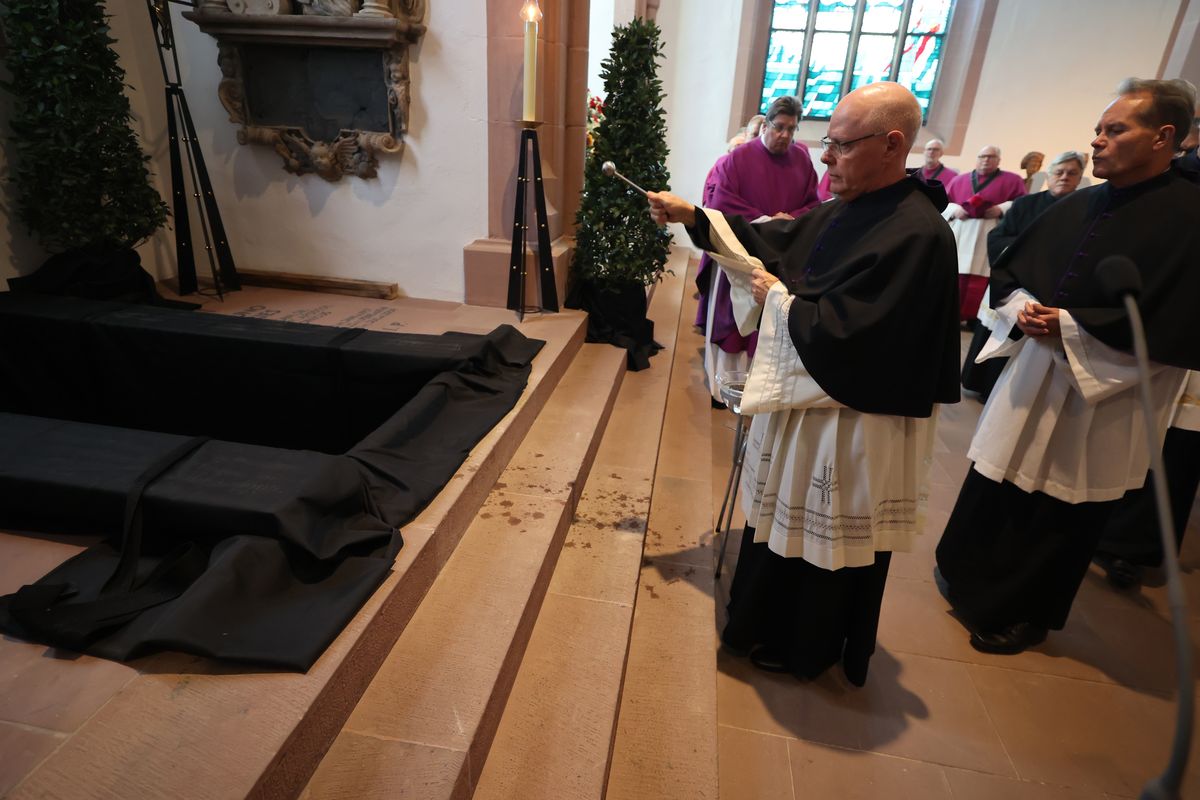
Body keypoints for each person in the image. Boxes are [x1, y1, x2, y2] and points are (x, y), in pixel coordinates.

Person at [650, 82, 961, 685]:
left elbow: (864, 338)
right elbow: (779, 241)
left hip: (851, 422)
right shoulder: (851, 205)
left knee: (827, 543)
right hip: (811, 405)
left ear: (893, 144)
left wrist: (783, 305)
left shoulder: (919, 235)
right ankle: (761, 622)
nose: (824, 158)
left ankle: (807, 643)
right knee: (785, 526)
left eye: (840, 146)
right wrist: (696, 215)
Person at [935, 78, 1200, 655]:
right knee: (999, 477)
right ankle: (965, 572)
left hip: (1109, 393)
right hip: (1036, 372)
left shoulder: (1190, 219)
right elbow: (1010, 271)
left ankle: (1027, 614)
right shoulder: (1079, 204)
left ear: (1164, 137)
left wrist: (1073, 328)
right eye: (1099, 130)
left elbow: (1179, 322)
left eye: (1115, 130)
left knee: (1064, 504)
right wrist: (1019, 307)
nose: (1097, 142)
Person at [693, 96, 821, 404]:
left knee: (768, 327)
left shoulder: (801, 161)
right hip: (742, 256)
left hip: (781, 259)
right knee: (735, 324)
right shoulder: (737, 159)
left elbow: (814, 204)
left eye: (792, 129)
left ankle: (759, 389)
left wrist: (790, 220)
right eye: (779, 127)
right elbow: (720, 203)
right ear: (766, 123)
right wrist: (767, 219)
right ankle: (723, 389)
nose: (785, 136)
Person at [960, 151, 1087, 400]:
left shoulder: (1084, 208)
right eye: (1059, 172)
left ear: (1080, 177)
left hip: (1051, 290)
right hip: (1015, 284)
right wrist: (1030, 252)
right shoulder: (1025, 204)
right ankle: (983, 386)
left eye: (1072, 173)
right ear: (1048, 175)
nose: (1064, 177)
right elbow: (998, 237)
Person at [943, 146, 1027, 324]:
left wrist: (1001, 208)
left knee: (981, 278)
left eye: (991, 157)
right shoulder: (960, 179)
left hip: (989, 234)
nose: (986, 160)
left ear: (999, 160)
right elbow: (943, 203)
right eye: (982, 156)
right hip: (962, 233)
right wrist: (955, 209)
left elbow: (1022, 204)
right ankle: (948, 315)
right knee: (954, 273)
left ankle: (974, 320)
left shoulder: (1013, 180)